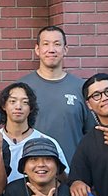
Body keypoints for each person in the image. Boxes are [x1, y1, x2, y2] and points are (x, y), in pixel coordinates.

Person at [16, 25, 87, 160]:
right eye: (46, 44)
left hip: (72, 167)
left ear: (65, 49)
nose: (51, 49)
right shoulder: (21, 88)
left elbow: (90, 133)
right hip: (31, 166)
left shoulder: (81, 88)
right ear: (37, 49)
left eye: (57, 44)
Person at [0, 81, 63, 177]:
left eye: (25, 102)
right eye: (12, 101)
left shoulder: (46, 141)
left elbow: (63, 178)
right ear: (4, 106)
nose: (18, 107)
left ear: (31, 108)